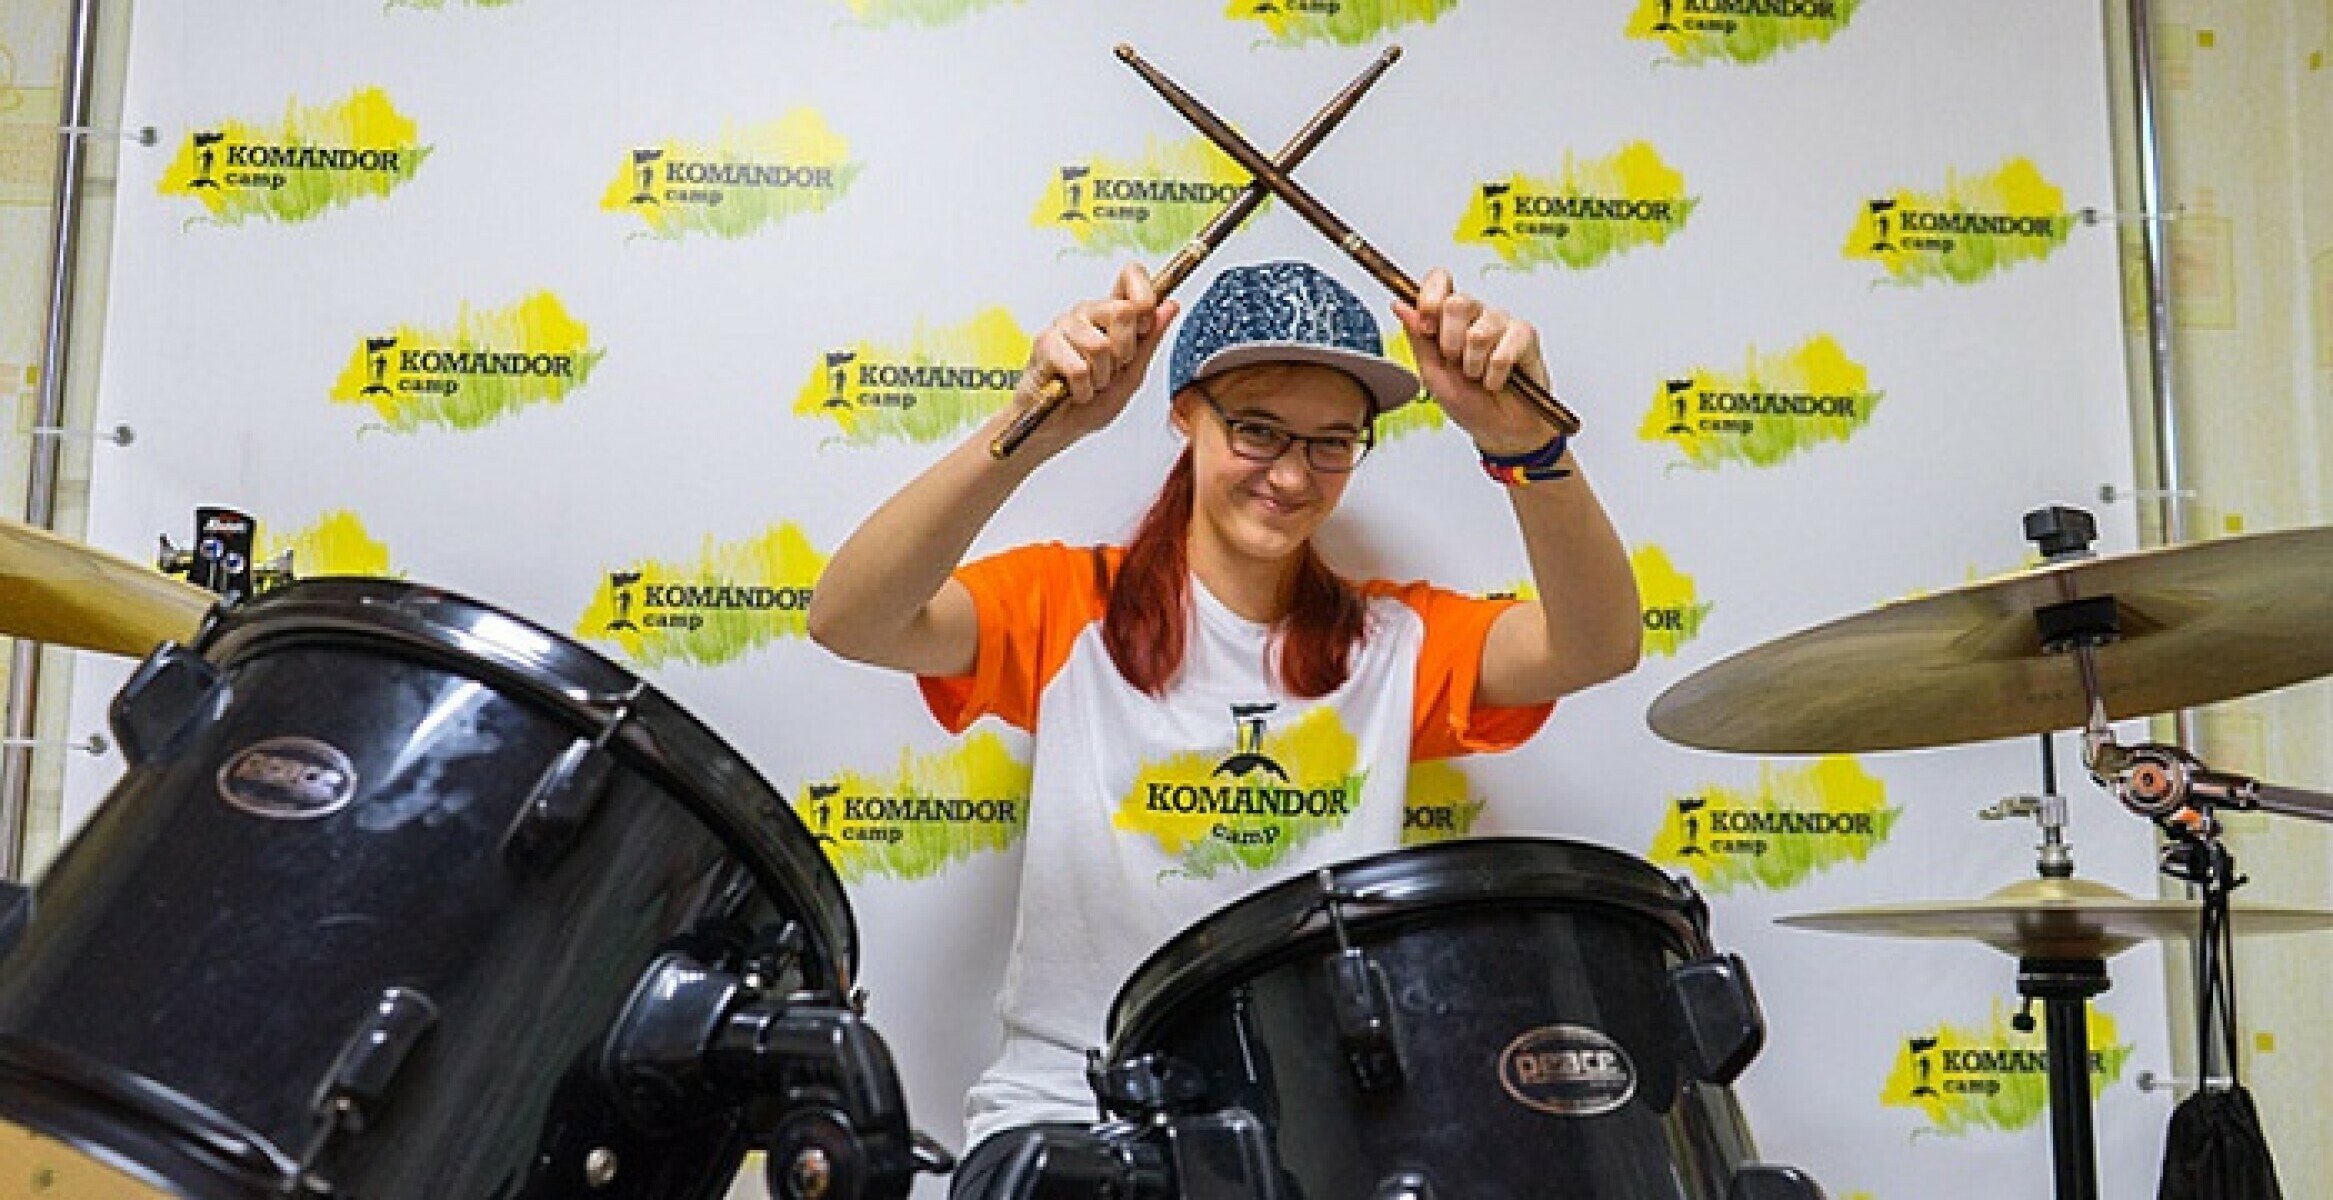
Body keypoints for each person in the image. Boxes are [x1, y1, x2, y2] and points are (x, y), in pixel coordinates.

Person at [806, 258, 1640, 1197]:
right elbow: (849, 620)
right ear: (1185, 417)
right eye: (1257, 429)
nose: (1291, 474)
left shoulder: (1390, 641)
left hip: (1311, 1132)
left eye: (1331, 443)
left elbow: (1596, 645)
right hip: (1076, 1115)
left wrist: (1528, 448)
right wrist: (1034, 427)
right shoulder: (1066, 604)